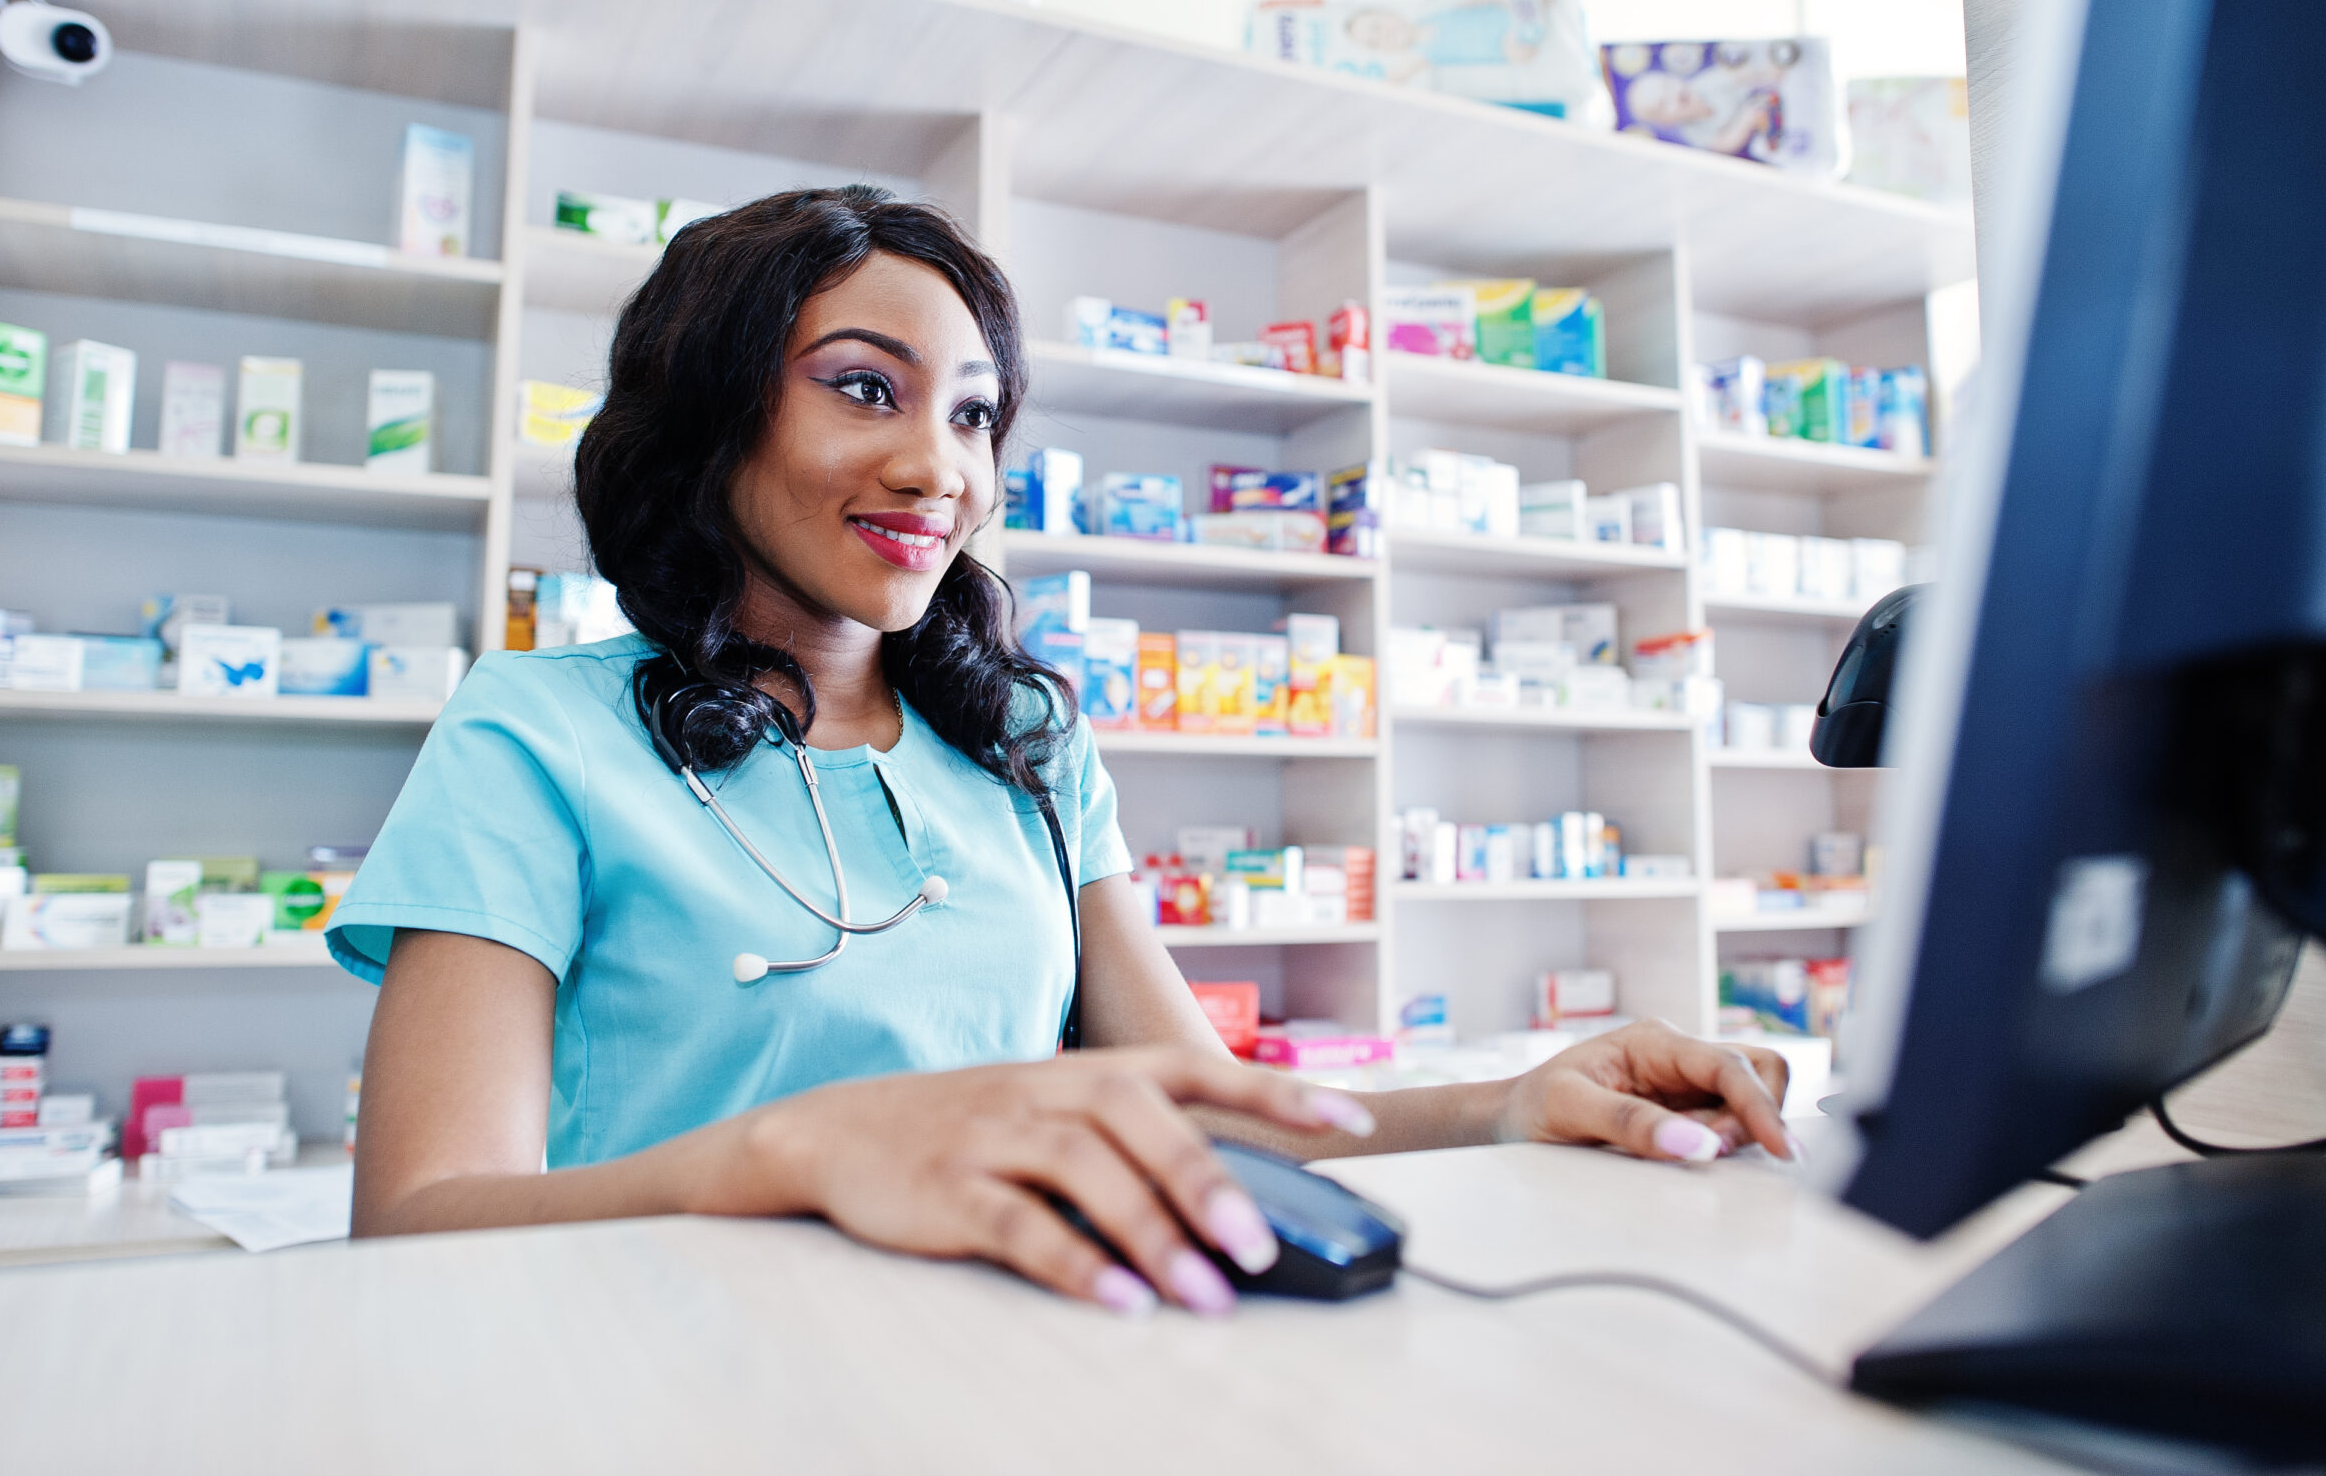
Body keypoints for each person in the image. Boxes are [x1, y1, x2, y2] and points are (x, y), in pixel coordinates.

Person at [330, 186, 1791, 1318]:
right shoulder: (538, 733)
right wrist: (785, 1159)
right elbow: (418, 1217)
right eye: (863, 387)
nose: (938, 467)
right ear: (708, 415)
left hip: (1004, 1368)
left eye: (974, 412)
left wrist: (1513, 1104)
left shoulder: (1024, 743)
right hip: (647, 1384)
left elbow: (1206, 1108)